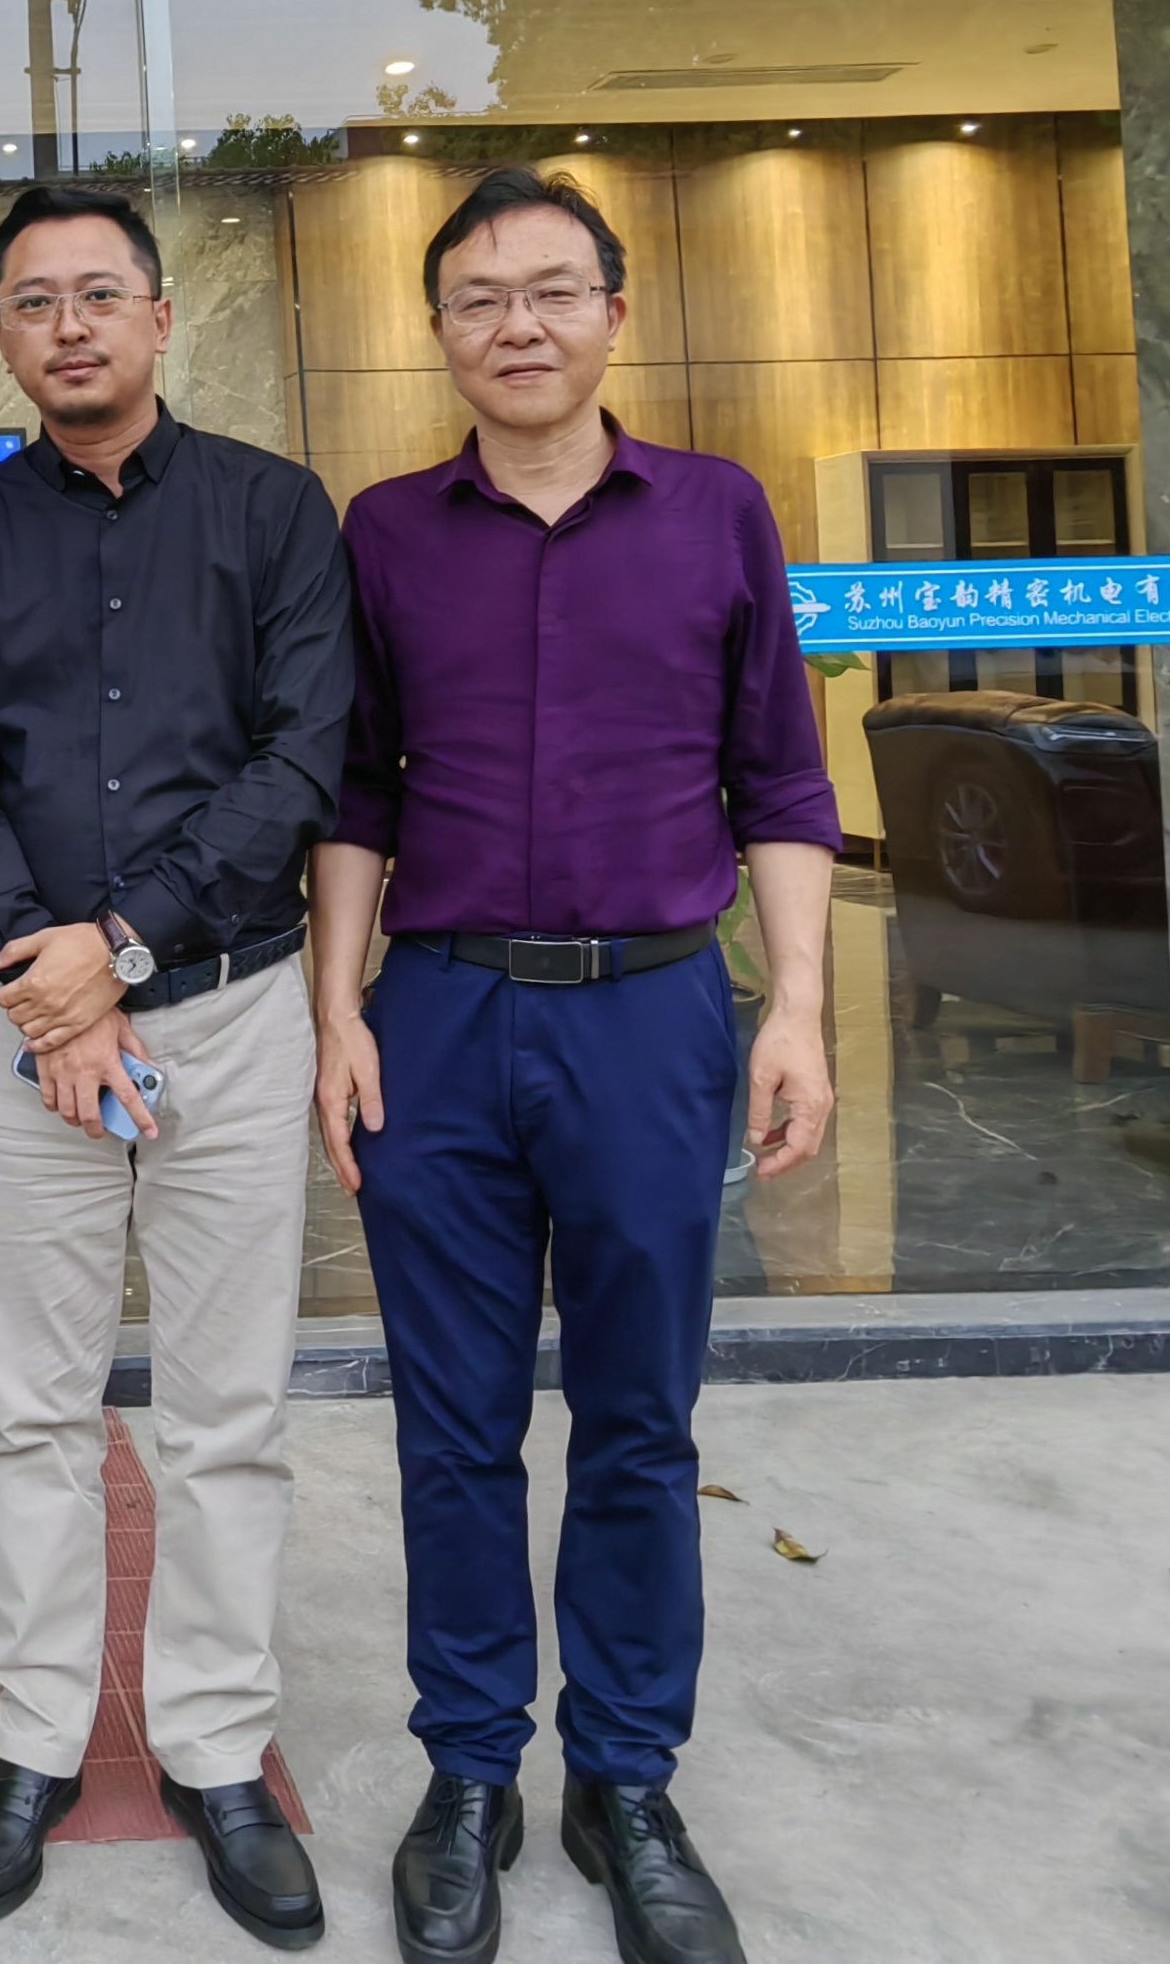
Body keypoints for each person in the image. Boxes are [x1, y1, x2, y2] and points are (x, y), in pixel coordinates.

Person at [307, 166, 837, 1964]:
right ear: (437, 330)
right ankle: (471, 1770)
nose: (514, 325)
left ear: (615, 309)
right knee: (454, 1425)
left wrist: (797, 1009)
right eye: (477, 298)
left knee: (637, 1420)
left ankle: (625, 1776)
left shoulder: (717, 511)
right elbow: (357, 792)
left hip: (651, 1016)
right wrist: (338, 1012)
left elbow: (782, 779)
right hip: (443, 1018)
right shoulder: (387, 530)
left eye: (549, 290)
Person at [0, 182, 353, 1942]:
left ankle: (216, 1748)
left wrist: (125, 946)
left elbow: (300, 756)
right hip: (29, 1017)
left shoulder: (274, 508)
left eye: (100, 293)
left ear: (162, 317)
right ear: (1, 333)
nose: (69, 324)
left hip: (227, 1007)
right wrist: (53, 973)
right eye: (35, 300)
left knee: (228, 1409)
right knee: (34, 1401)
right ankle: (34, 1738)